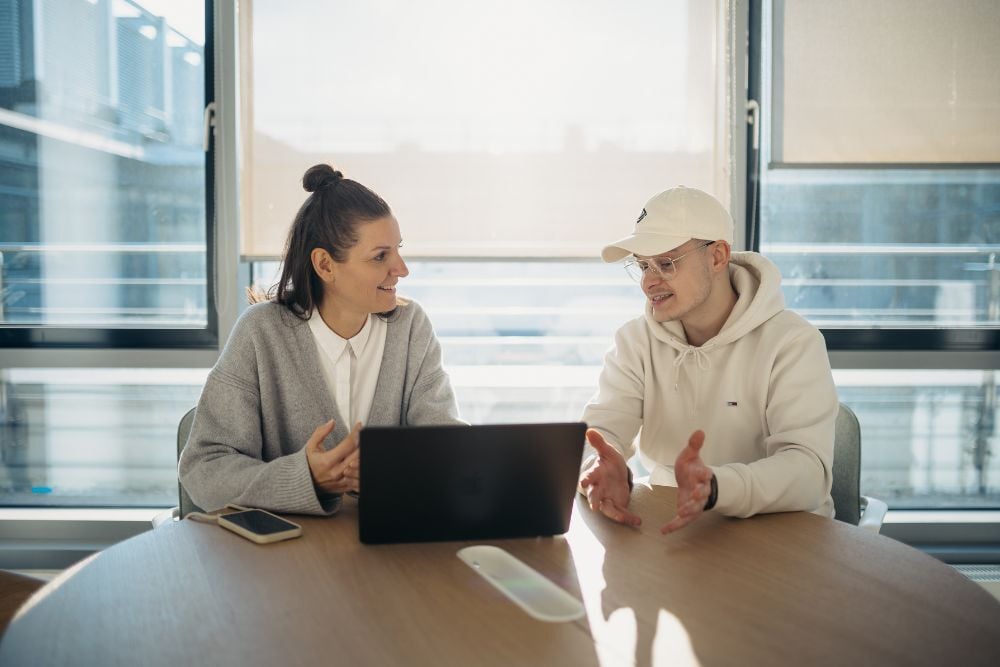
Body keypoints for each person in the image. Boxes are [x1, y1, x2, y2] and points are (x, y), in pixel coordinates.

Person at [179, 164, 462, 514]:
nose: (402, 269)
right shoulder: (260, 333)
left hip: (386, 540)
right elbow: (204, 469)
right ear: (325, 265)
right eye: (380, 256)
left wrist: (396, 471)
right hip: (289, 545)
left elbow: (449, 450)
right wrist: (305, 479)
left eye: (398, 250)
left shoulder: (411, 327)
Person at [579, 186, 838, 534]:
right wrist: (596, 466)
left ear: (717, 257)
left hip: (784, 532)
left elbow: (808, 473)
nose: (648, 282)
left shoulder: (793, 342)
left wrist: (715, 487)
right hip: (674, 525)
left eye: (665, 264)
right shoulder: (635, 341)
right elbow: (601, 434)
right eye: (642, 266)